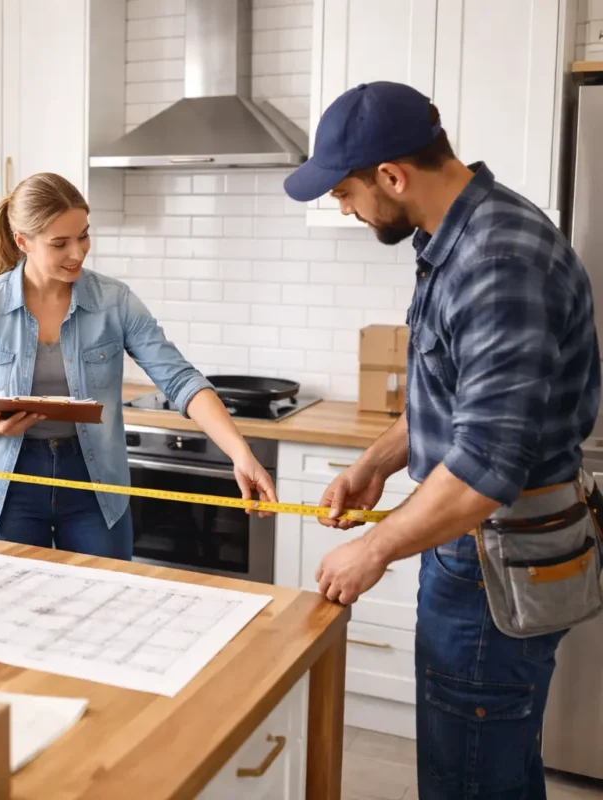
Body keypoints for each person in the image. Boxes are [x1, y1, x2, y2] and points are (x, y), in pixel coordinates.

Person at [284, 81, 602, 798]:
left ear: (392, 175)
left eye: (344, 191)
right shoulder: (454, 240)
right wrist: (375, 463)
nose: (344, 208)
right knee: (495, 765)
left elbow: (487, 466)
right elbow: (455, 400)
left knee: (467, 780)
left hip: (493, 554)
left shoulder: (496, 261)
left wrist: (372, 548)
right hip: (476, 548)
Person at [0, 172, 277, 559]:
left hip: (95, 482)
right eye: (60, 243)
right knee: (10, 608)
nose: (78, 253)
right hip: (7, 485)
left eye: (83, 235)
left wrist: (240, 453)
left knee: (107, 607)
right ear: (22, 242)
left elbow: (180, 379)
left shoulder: (114, 301)